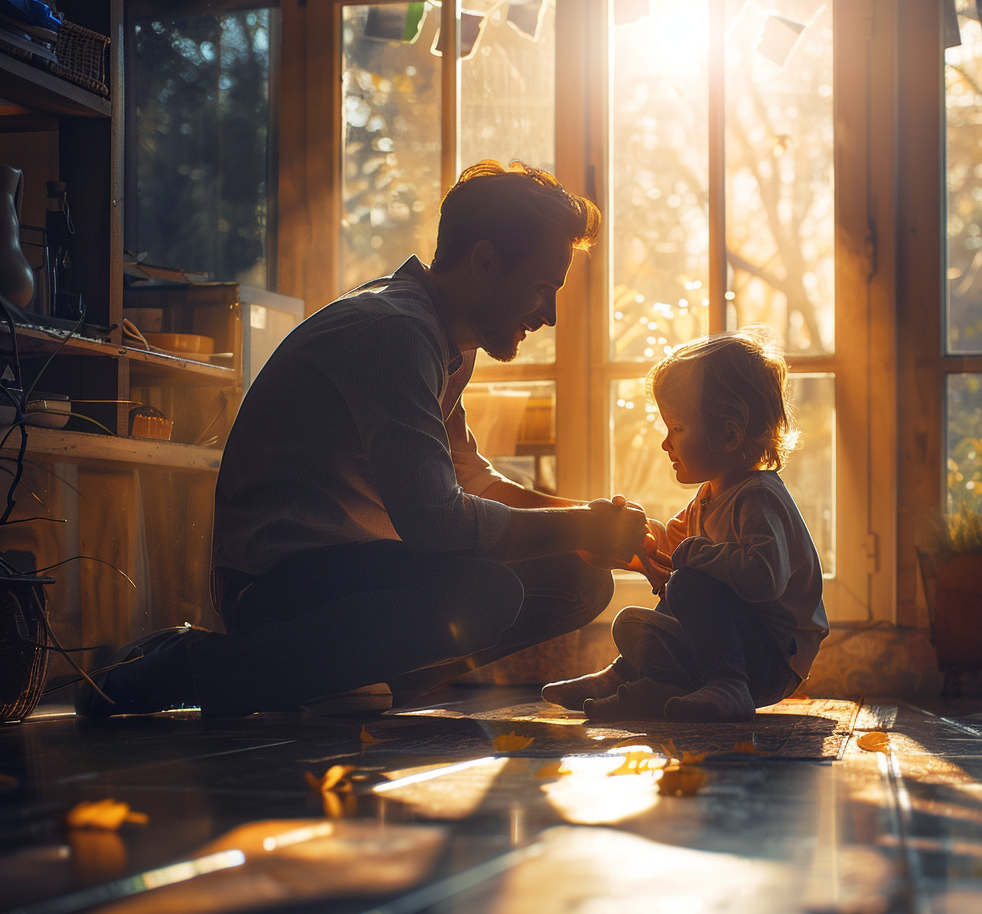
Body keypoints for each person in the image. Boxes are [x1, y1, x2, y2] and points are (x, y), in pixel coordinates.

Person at [77, 161, 647, 719]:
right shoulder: (396, 332)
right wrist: (579, 526)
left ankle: (356, 683)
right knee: (487, 593)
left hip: (358, 574)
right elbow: (439, 523)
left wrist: (591, 522)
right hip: (279, 585)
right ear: (485, 261)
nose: (548, 314)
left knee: (579, 578)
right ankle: (194, 665)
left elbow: (470, 474)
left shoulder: (449, 341)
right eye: (543, 288)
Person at [542, 326, 828, 723]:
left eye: (677, 428)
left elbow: (765, 578)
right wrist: (637, 535)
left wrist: (697, 557)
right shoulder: (708, 497)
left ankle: (727, 686)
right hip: (735, 648)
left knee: (691, 581)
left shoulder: (758, 496)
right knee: (647, 614)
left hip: (772, 661)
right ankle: (634, 683)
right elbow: (671, 545)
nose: (666, 442)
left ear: (729, 434)